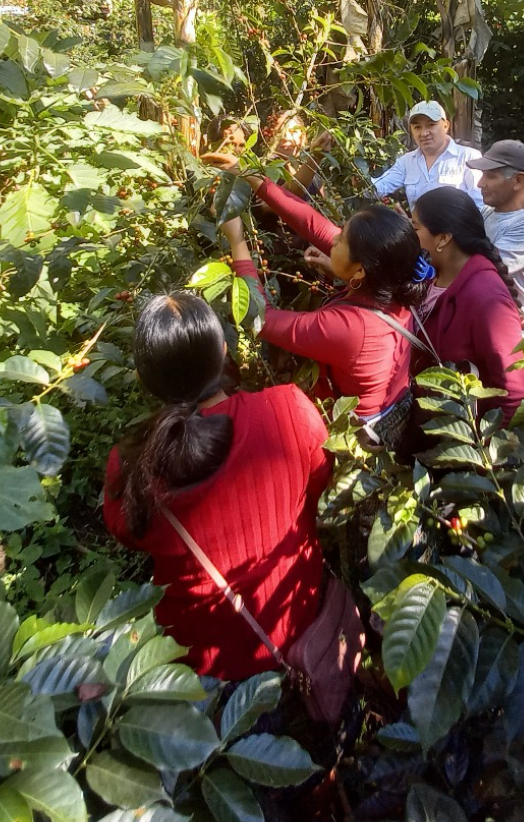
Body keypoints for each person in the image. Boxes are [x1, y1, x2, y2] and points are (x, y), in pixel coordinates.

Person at [103, 292, 333, 681]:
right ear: (224, 350)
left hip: (203, 659)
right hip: (298, 611)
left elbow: (128, 532)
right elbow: (321, 480)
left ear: (143, 379)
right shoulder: (290, 410)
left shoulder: (128, 466)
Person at [206, 157, 432, 448]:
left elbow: (260, 319)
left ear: (360, 270)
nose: (333, 239)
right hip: (392, 403)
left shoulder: (351, 328)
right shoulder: (395, 278)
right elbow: (310, 222)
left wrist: (237, 240)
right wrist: (250, 174)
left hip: (363, 435)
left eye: (341, 240)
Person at [411, 186, 524, 423]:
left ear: (443, 238)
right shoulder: (436, 276)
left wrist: (489, 442)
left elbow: (514, 392)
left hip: (463, 432)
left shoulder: (486, 299)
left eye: (415, 228)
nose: (410, 236)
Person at [371, 101, 483, 211]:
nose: (424, 133)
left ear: (445, 126)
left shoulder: (468, 157)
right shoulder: (406, 162)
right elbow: (377, 188)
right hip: (418, 224)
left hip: (459, 224)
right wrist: (360, 178)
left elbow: (480, 206)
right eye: (417, 127)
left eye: (431, 125)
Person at [466, 139, 524, 323]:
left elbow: (483, 270)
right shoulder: (487, 212)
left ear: (518, 180)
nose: (480, 184)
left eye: (491, 176)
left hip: (515, 328)